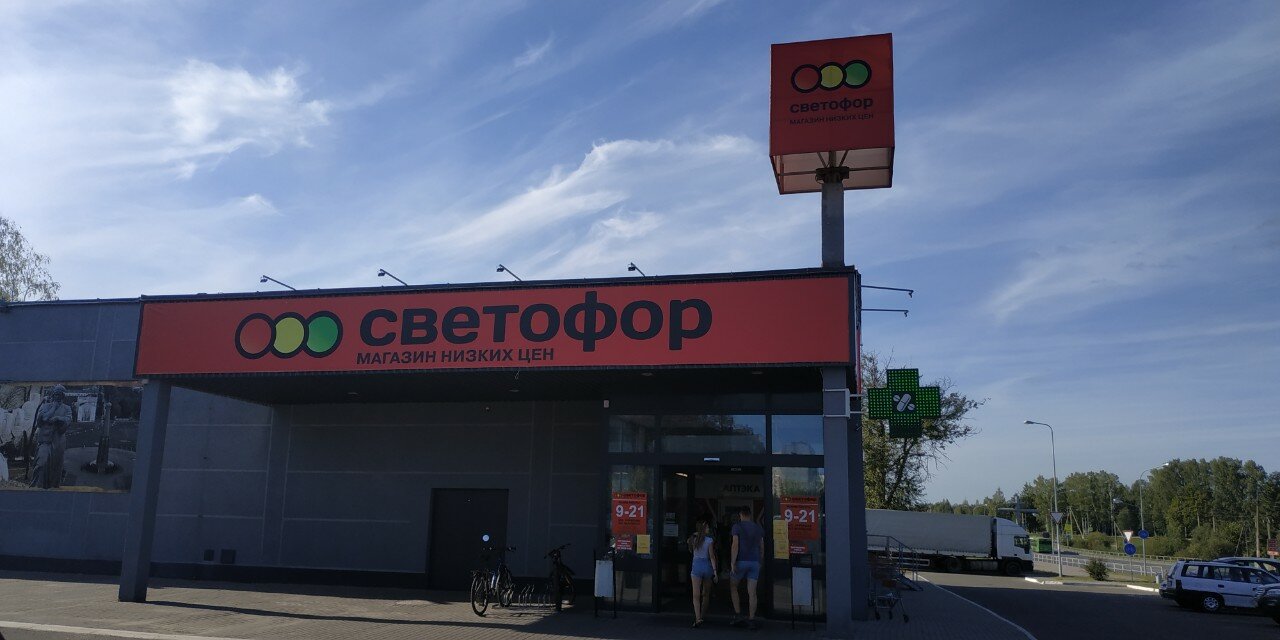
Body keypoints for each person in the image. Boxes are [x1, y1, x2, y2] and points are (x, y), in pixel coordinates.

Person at [729, 506, 764, 629]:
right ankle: (751, 619)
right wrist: (760, 561)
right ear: (750, 514)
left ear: (740, 514)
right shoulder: (758, 528)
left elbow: (735, 545)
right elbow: (761, 547)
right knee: (752, 592)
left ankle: (738, 614)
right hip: (754, 562)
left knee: (733, 586)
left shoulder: (737, 527)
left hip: (741, 561)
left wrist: (733, 562)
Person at [29, 385, 71, 489]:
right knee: (41, 463)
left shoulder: (67, 408)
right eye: (56, 394)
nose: (57, 397)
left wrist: (58, 418)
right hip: (45, 440)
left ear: (63, 396)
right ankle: (35, 487)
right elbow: (43, 418)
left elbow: (68, 420)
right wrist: (53, 408)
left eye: (60, 395)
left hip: (58, 441)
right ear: (53, 395)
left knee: (56, 467)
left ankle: (52, 488)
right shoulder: (45, 406)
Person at [687, 520, 717, 628]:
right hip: (707, 567)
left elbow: (687, 542)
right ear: (703, 529)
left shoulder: (693, 539)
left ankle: (698, 617)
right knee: (706, 594)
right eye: (707, 527)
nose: (708, 529)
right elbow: (712, 556)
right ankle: (703, 615)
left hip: (696, 567)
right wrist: (715, 571)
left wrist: (695, 534)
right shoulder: (709, 540)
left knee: (696, 595)